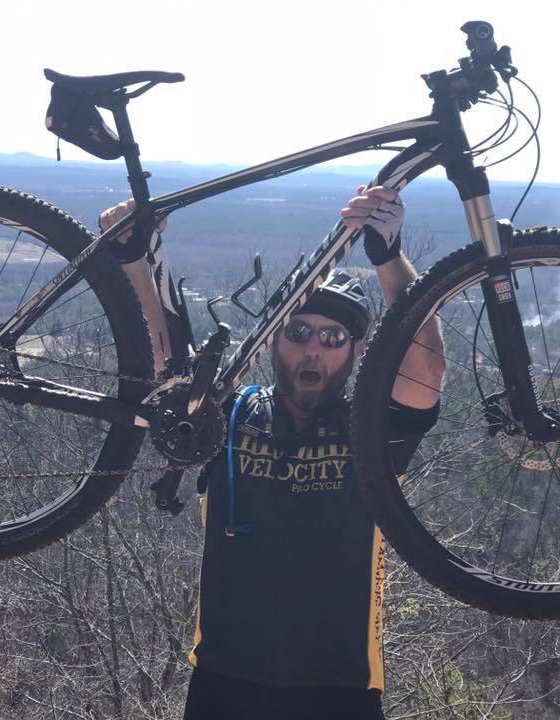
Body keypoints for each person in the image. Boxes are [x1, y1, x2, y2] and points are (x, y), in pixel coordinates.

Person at [99, 185, 445, 720]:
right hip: (223, 681)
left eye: (334, 338)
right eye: (300, 331)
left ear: (357, 352)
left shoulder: (372, 430)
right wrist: (133, 257)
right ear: (274, 341)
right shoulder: (228, 412)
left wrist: (389, 256)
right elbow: (167, 359)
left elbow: (424, 371)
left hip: (341, 688)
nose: (314, 348)